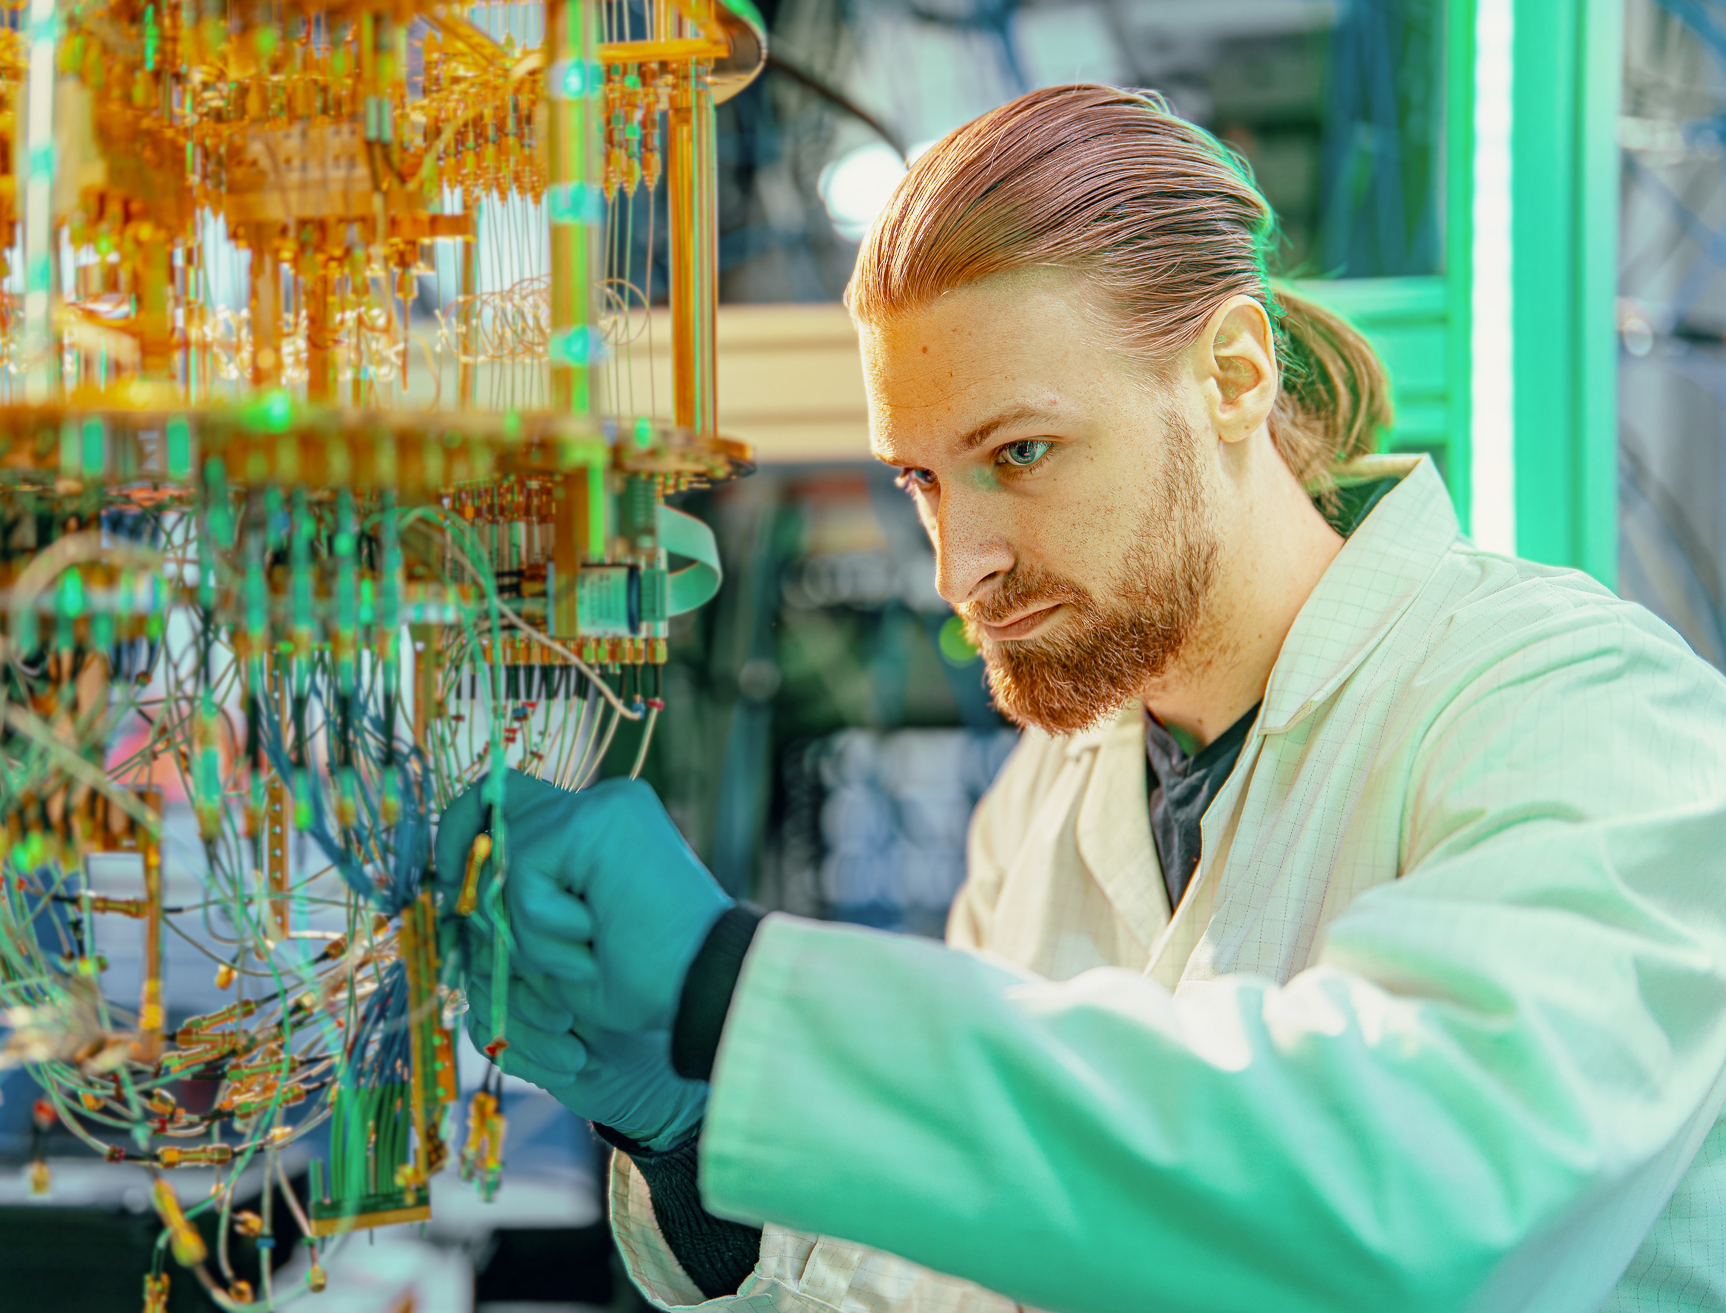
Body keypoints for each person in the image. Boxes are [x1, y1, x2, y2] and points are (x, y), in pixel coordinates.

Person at [437, 84, 1726, 1313]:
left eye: (1021, 453)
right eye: (924, 482)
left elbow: (1418, 1207)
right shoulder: (1050, 801)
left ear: (1231, 375)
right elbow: (989, 1277)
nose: (960, 567)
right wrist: (696, 1136)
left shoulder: (1577, 707)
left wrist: (741, 990)